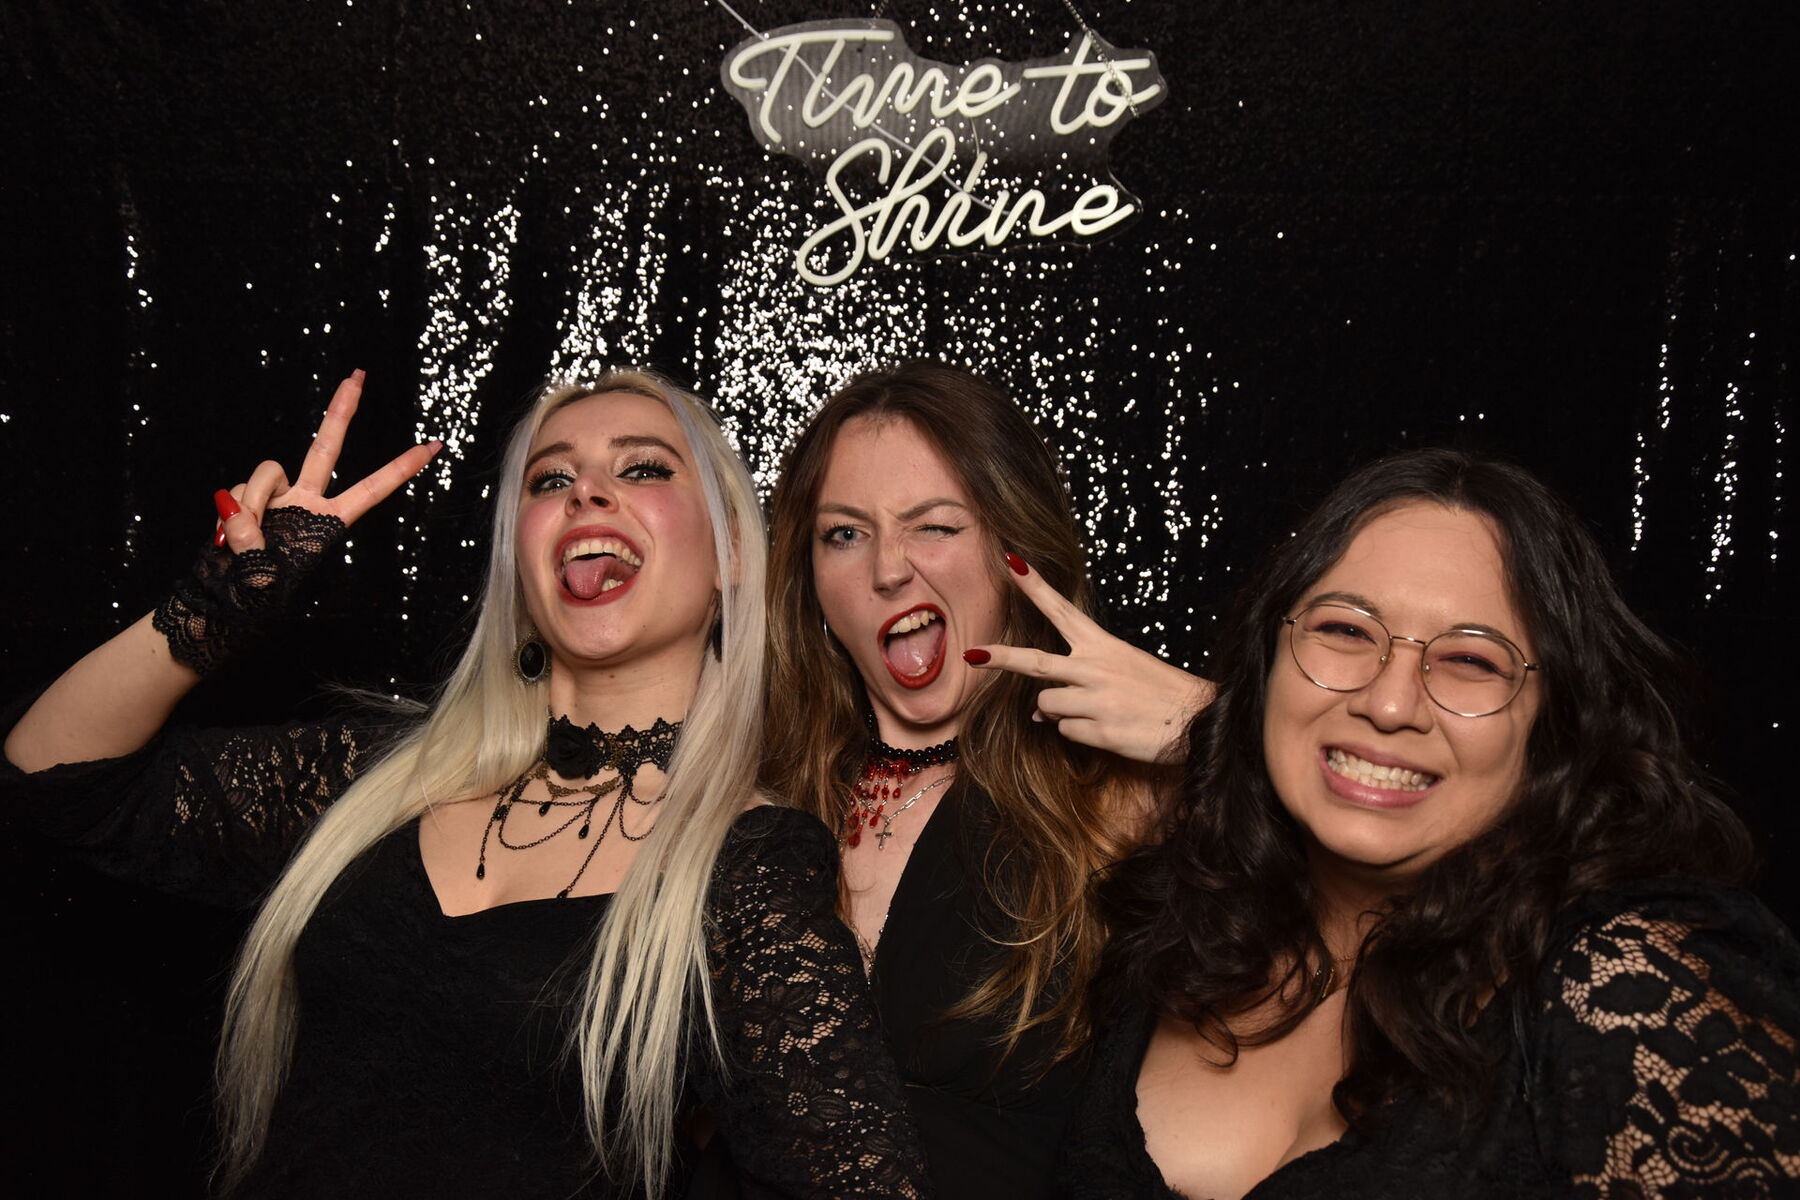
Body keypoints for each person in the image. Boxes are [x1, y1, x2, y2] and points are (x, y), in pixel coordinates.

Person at [3, 369, 927, 1198]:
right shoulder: (377, 776)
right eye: (549, 480)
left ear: (732, 556)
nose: (587, 492)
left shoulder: (751, 866)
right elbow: (52, 777)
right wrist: (218, 606)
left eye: (643, 468)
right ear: (517, 563)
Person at [1063, 449, 1800, 1197]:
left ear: (1555, 722)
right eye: (1346, 631)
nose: (1389, 704)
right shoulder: (1169, 922)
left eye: (1472, 662)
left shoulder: (1627, 982)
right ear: (1267, 660)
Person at [759, 361, 1207, 1199]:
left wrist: (1206, 724)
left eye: (934, 526)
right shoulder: (756, 795)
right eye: (844, 534)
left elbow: (1399, 873)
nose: (889, 569)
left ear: (1014, 551)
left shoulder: (1118, 802)